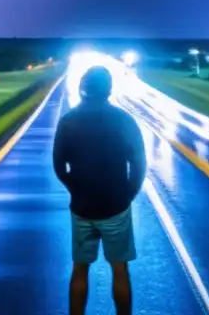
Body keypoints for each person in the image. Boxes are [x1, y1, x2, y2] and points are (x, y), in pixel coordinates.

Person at [52, 65, 147, 315]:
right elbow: (138, 162)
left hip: (82, 207)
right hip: (116, 205)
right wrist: (128, 194)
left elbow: (59, 165)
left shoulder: (68, 121)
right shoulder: (123, 119)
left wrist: (76, 189)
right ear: (108, 89)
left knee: (80, 269)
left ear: (82, 88)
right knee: (120, 269)